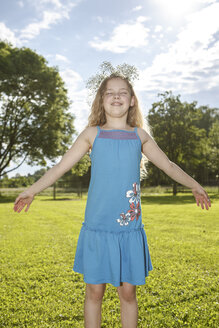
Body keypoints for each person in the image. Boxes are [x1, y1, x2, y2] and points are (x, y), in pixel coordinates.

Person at [14, 73, 211, 328]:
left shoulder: (140, 136)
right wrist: (32, 190)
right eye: (110, 92)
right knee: (94, 294)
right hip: (98, 229)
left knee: (127, 294)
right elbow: (61, 166)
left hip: (128, 230)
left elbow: (169, 166)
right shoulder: (91, 135)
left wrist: (195, 185)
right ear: (101, 100)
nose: (116, 96)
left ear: (131, 101)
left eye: (122, 92)